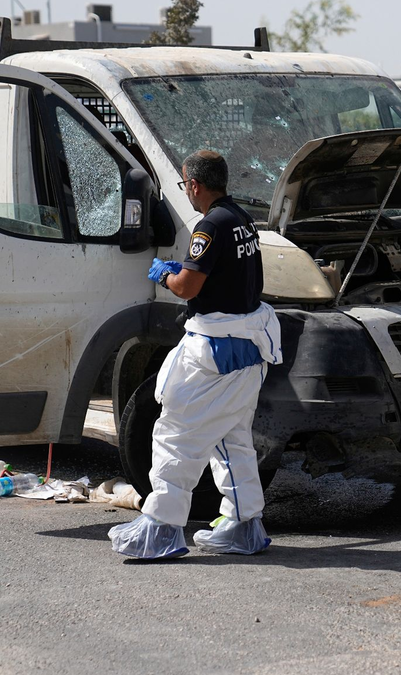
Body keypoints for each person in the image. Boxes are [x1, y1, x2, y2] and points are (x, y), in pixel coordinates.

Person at [109, 150, 283, 560]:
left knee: (176, 433)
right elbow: (225, 275)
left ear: (194, 185)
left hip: (213, 352)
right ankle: (244, 525)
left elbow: (188, 287)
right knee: (231, 439)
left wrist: (167, 274)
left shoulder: (210, 225)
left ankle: (162, 529)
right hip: (247, 351)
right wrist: (185, 270)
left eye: (185, 184)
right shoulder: (241, 219)